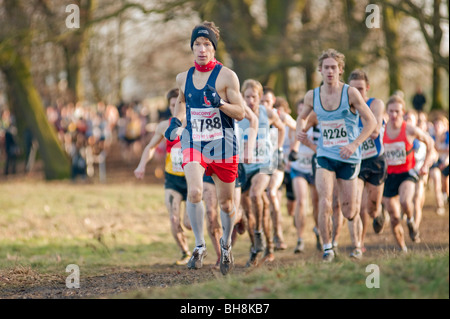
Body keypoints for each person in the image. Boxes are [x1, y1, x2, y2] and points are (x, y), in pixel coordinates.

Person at [164, 21, 245, 275]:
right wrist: (177, 122)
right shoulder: (183, 77)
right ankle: (199, 246)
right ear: (192, 48)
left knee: (226, 203)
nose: (201, 49)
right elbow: (180, 101)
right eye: (197, 44)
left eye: (206, 44)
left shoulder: (227, 76)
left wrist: (220, 102)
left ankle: (226, 245)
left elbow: (241, 112)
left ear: (214, 49)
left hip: (223, 144)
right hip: (194, 141)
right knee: (196, 191)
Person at [296, 48, 377, 262]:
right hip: (325, 155)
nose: (330, 71)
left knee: (349, 210)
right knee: (325, 201)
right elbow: (302, 117)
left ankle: (356, 243)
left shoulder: (350, 93)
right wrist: (299, 129)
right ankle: (327, 248)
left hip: (349, 157)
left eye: (334, 67)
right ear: (320, 70)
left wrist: (354, 144)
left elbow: (371, 122)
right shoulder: (312, 95)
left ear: (340, 70)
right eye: (326, 68)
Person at [134, 88, 192, 266]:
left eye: (179, 105)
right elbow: (151, 147)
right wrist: (142, 165)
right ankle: (185, 252)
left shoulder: (194, 124)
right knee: (174, 219)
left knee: (189, 223)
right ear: (169, 106)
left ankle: (201, 248)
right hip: (173, 179)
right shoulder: (164, 126)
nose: (176, 109)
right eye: (173, 105)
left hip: (192, 179)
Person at [238, 79, 285, 266]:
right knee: (250, 210)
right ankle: (256, 247)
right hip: (244, 166)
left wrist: (278, 150)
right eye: (247, 96)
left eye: (254, 97)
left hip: (264, 164)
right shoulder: (238, 114)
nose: (251, 100)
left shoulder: (268, 113)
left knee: (257, 194)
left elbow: (281, 129)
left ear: (260, 97)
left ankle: (262, 237)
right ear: (242, 97)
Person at [382, 95, 435, 252]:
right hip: (389, 176)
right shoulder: (382, 131)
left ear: (402, 112)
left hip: (407, 173)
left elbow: (430, 143)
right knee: (393, 216)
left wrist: (425, 165)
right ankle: (402, 248)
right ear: (386, 112)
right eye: (391, 111)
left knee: (405, 201)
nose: (394, 115)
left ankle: (411, 221)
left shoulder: (409, 129)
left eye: (397, 111)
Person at [348, 69, 388, 252]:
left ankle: (379, 213)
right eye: (354, 89)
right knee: (358, 205)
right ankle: (359, 244)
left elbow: (375, 131)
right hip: (356, 161)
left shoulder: (375, 104)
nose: (358, 93)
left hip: (375, 161)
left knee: (371, 208)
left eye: (361, 89)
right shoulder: (345, 107)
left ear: (367, 88)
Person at [404, 110, 438, 238]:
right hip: (406, 173)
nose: (407, 122)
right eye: (405, 119)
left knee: (417, 200)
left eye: (410, 119)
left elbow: (434, 153)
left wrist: (426, 164)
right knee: (408, 201)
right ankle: (410, 219)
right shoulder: (402, 134)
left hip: (420, 172)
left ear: (415, 121)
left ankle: (415, 229)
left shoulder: (422, 135)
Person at [428, 112, 449, 215]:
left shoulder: (447, 136)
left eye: (439, 124)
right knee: (437, 180)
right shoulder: (431, 136)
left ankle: (445, 195)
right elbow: (432, 151)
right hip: (436, 163)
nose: (437, 127)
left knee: (445, 182)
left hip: (446, 162)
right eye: (435, 124)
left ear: (445, 126)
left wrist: (446, 161)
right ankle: (440, 205)